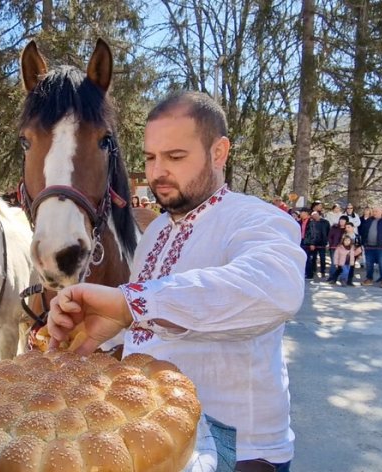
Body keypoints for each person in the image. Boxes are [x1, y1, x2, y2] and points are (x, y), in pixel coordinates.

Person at [47, 91, 304, 471]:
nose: (157, 172)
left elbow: (275, 288)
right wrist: (107, 326)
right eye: (151, 158)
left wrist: (130, 304)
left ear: (219, 153)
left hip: (240, 448)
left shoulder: (256, 219)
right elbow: (150, 318)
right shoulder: (155, 232)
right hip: (158, 440)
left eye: (176, 157)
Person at [359, 207, 382, 288]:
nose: (374, 212)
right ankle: (369, 279)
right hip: (369, 247)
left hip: (381, 248)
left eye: (376, 211)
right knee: (369, 264)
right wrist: (364, 243)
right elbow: (363, 231)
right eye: (373, 211)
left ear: (381, 212)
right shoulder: (369, 220)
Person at [299, 208, 320, 279]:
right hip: (300, 241)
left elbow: (314, 233)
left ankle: (309, 274)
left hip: (307, 242)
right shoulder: (299, 221)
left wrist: (312, 243)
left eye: (302, 212)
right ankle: (303, 272)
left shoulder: (311, 222)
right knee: (301, 258)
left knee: (307, 258)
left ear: (306, 213)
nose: (300, 213)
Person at [310, 211, 330, 278]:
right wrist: (311, 243)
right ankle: (313, 270)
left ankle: (323, 271)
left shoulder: (325, 222)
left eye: (316, 215)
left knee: (322, 258)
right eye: (313, 215)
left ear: (319, 214)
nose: (315, 216)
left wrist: (328, 242)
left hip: (323, 243)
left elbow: (328, 232)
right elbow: (310, 233)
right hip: (314, 243)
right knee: (313, 258)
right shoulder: (311, 222)